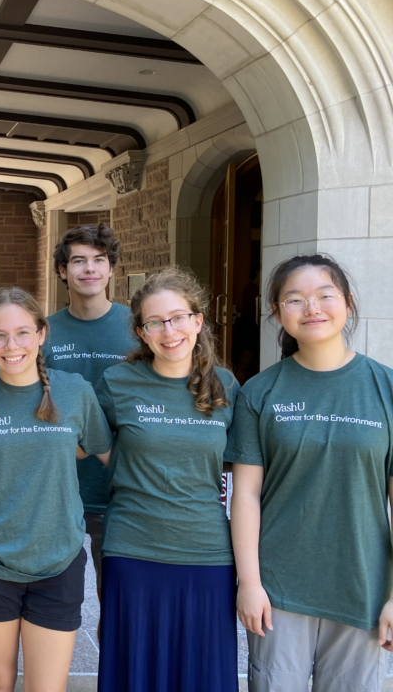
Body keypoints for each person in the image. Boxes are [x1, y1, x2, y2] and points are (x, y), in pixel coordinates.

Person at [0, 287, 112, 692]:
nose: (11, 345)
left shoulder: (76, 392)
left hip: (58, 559)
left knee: (46, 687)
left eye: (23, 333)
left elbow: (105, 454)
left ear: (42, 334)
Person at [227, 254, 393, 692]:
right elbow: (244, 495)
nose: (312, 308)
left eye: (325, 295)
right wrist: (250, 584)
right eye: (295, 299)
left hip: (363, 587)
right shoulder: (261, 391)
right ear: (278, 313)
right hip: (279, 589)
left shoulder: (385, 387)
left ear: (349, 303)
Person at [95, 268, 239, 692]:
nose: (168, 330)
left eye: (178, 318)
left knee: (202, 674)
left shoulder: (226, 385)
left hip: (207, 554)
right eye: (154, 322)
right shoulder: (117, 382)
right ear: (141, 332)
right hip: (133, 548)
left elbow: (239, 471)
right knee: (135, 671)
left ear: (198, 321)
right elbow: (87, 444)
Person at [41, 223, 136, 608]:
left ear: (111, 269)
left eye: (99, 260)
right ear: (63, 271)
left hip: (120, 485)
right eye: (78, 261)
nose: (90, 269)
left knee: (116, 598)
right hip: (56, 487)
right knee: (51, 599)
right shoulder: (44, 331)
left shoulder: (137, 328)